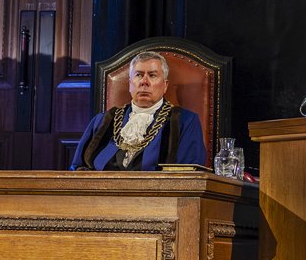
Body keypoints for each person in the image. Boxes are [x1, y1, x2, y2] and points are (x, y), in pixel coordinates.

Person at [71, 51, 206, 171]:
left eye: (152, 75)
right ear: (130, 83)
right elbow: (79, 169)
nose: (144, 82)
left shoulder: (184, 122)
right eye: (138, 75)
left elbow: (189, 177)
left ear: (165, 85)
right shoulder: (102, 121)